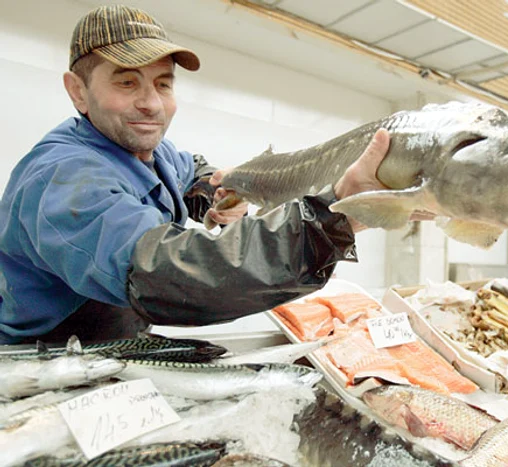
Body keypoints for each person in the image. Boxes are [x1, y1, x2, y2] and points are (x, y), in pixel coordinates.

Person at [0, 5, 399, 345]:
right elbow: (166, 273)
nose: (151, 103)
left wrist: (217, 194)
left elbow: (191, 169)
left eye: (163, 84)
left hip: (117, 346)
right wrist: (331, 220)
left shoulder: (148, 152)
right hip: (43, 362)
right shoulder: (63, 180)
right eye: (127, 82)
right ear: (78, 91)